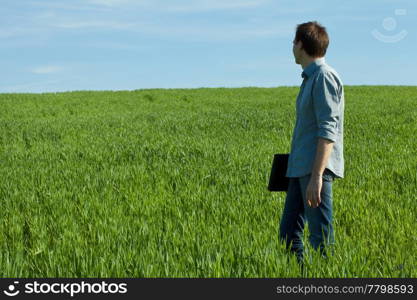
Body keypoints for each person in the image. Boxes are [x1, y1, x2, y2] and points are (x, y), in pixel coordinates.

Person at [278, 21, 344, 267]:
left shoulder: (324, 77)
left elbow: (328, 129)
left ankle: (326, 283)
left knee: (321, 240)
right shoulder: (309, 78)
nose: (292, 47)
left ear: (302, 45)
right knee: (288, 236)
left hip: (315, 170)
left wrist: (317, 176)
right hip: (299, 169)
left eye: (294, 42)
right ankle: (300, 281)